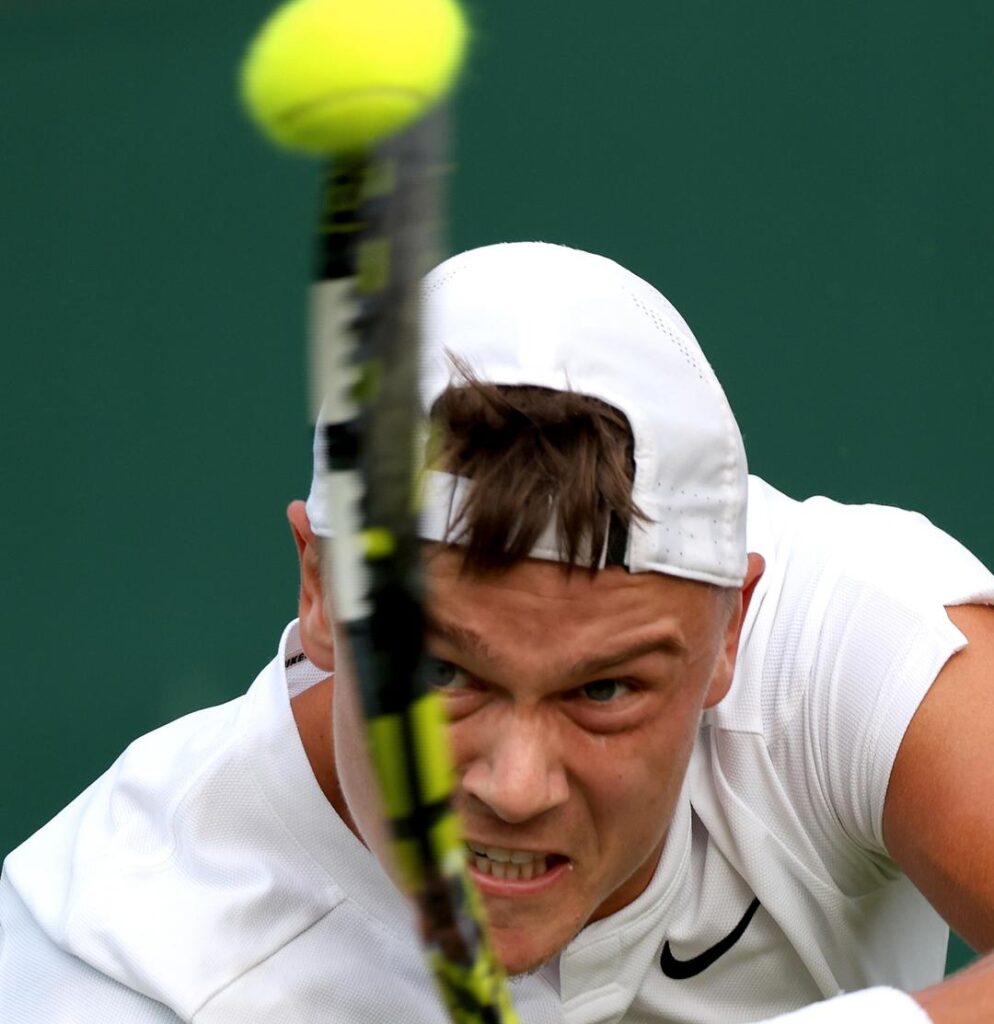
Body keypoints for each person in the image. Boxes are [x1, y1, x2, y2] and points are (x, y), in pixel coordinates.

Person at [2, 242, 993, 1024]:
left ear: (730, 630)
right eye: (442, 671)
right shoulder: (115, 957)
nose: (514, 789)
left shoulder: (849, 638)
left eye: (604, 690)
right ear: (318, 589)